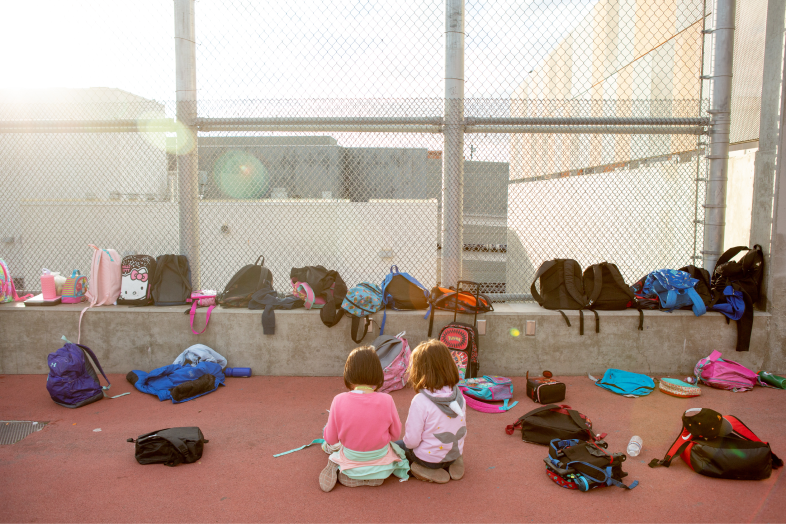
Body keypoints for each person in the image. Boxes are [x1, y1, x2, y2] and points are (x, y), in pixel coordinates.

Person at [320, 346, 409, 492]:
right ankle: (372, 474)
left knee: (329, 440)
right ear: (377, 373)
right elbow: (395, 435)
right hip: (381, 467)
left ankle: (340, 468)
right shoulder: (387, 400)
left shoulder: (339, 400)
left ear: (349, 372)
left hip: (351, 460)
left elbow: (331, 438)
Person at [395, 339, 466, 483]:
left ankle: (422, 468)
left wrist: (406, 446)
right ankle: (454, 463)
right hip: (453, 453)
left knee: (396, 446)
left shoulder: (420, 400)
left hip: (428, 459)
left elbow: (412, 441)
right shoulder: (458, 395)